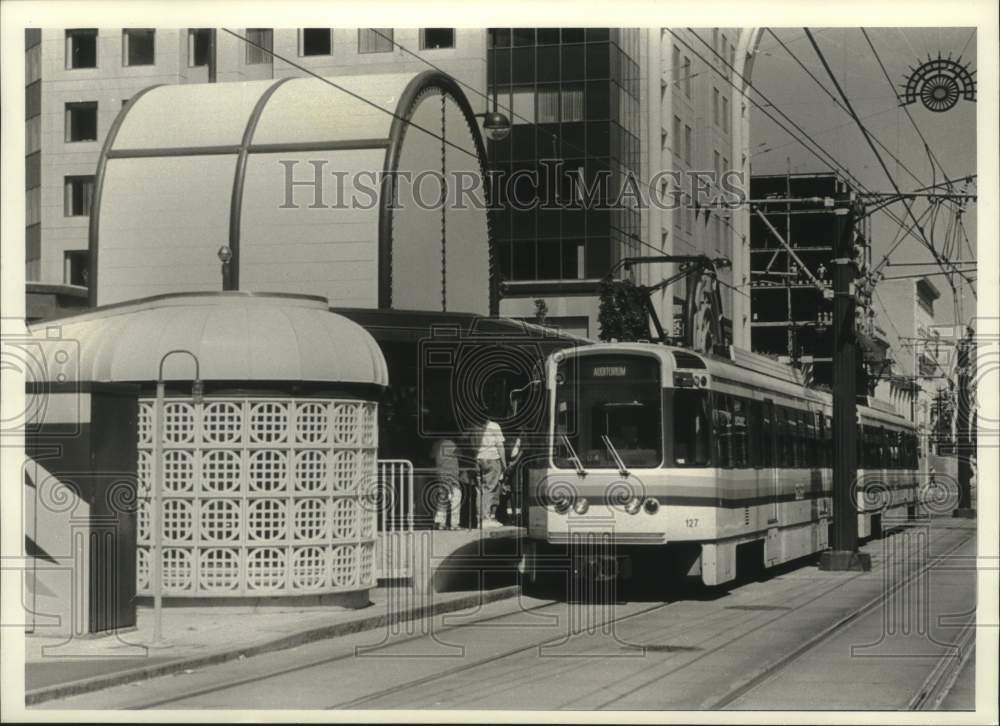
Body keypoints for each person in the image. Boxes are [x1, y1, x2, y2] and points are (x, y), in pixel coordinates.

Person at [470, 414, 506, 528]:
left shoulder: (474, 427)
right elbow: (500, 446)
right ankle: (486, 519)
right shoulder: (495, 426)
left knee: (479, 490)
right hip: (492, 459)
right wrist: (504, 464)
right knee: (490, 489)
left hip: (478, 459)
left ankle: (479, 518)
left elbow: (472, 445)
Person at [431, 437, 462, 531]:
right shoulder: (451, 444)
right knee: (456, 497)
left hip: (440, 474)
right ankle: (454, 524)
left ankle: (440, 523)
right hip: (451, 475)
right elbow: (460, 455)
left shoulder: (436, 444)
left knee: (443, 498)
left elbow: (431, 456)